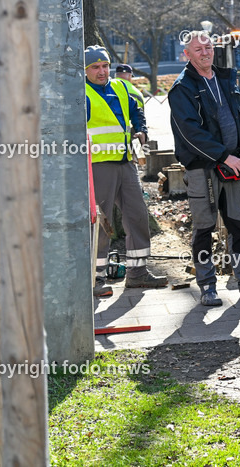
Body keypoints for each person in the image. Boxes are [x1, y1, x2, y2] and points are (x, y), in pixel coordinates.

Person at [168, 31, 240, 307]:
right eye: (198, 49)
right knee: (204, 228)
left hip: (232, 165)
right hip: (202, 169)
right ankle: (207, 287)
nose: (205, 52)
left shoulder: (227, 79)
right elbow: (190, 132)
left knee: (238, 226)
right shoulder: (182, 88)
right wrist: (223, 157)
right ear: (187, 55)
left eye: (208, 46)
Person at [85, 46, 168, 298]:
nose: (102, 71)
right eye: (95, 67)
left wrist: (141, 130)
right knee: (101, 223)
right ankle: (95, 279)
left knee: (138, 215)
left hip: (125, 163)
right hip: (97, 166)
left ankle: (138, 273)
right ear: (85, 70)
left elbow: (137, 111)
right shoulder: (81, 95)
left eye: (105, 65)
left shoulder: (121, 87)